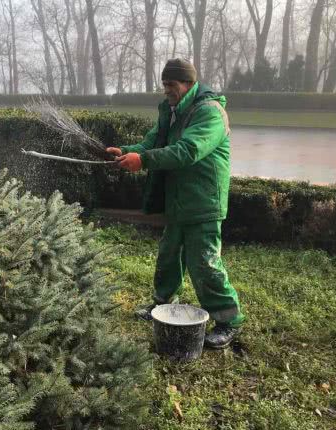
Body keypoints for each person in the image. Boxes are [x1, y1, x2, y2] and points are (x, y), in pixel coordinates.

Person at [107, 59, 245, 349]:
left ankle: (229, 321)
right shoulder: (171, 112)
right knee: (169, 254)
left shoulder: (210, 113)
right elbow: (152, 143)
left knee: (204, 263)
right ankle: (162, 303)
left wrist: (143, 160)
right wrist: (128, 152)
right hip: (179, 200)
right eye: (164, 84)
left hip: (204, 200)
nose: (166, 90)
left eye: (171, 84)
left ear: (188, 83)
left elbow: (188, 150)